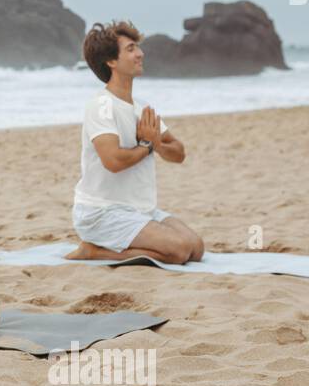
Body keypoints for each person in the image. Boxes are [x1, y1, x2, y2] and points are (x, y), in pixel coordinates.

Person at [67, 21, 205, 264]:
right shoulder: (101, 106)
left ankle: (108, 247)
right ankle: (94, 251)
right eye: (130, 49)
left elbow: (179, 153)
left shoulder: (139, 107)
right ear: (111, 61)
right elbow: (113, 161)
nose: (140, 53)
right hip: (102, 212)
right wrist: (146, 146)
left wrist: (157, 144)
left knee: (196, 248)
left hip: (140, 210)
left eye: (137, 48)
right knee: (178, 251)